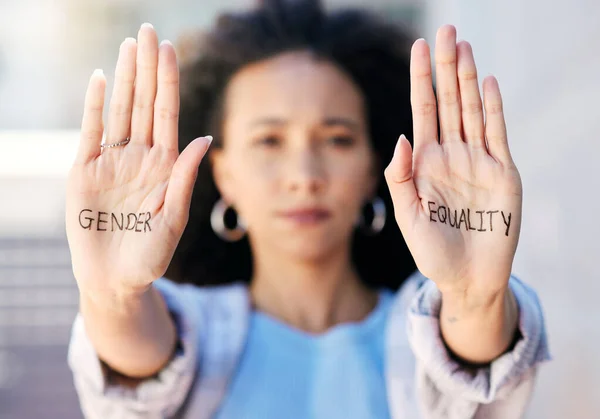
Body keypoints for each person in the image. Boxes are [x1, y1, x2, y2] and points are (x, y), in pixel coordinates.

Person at [65, 1, 550, 418]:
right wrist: (113, 296)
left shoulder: (420, 333)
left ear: (372, 168)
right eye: (269, 140)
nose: (304, 174)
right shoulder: (194, 331)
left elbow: (473, 358)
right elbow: (136, 362)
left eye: (338, 139)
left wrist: (474, 296)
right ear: (223, 172)